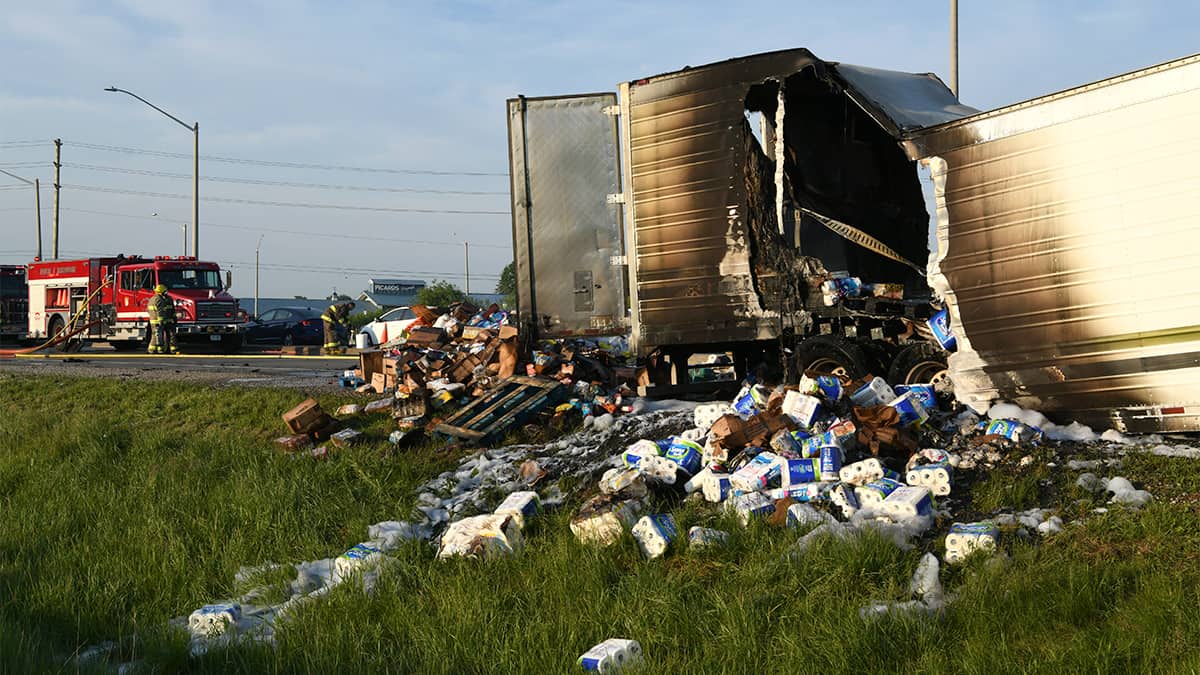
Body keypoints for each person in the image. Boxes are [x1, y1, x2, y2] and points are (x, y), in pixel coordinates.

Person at [146, 284, 179, 354]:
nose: (166, 292)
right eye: (165, 291)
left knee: (157, 335)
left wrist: (174, 318)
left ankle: (158, 349)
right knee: (158, 335)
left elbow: (171, 310)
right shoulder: (158, 299)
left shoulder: (154, 299)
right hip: (159, 321)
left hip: (160, 320)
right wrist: (161, 321)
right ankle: (154, 349)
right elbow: (160, 311)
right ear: (161, 292)